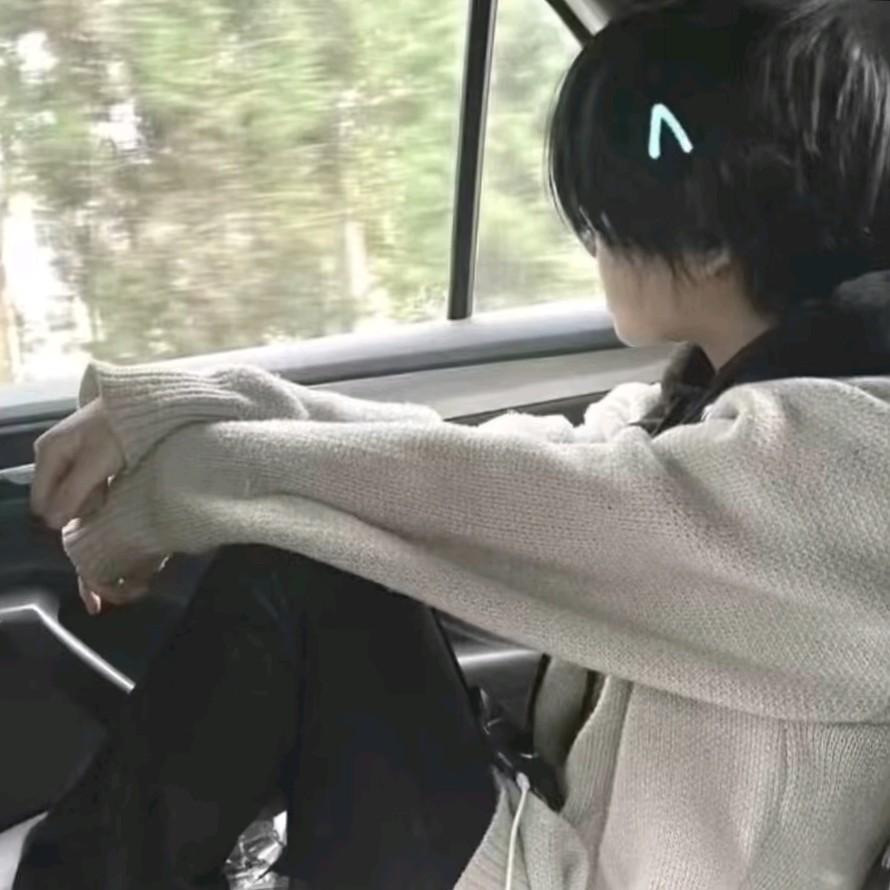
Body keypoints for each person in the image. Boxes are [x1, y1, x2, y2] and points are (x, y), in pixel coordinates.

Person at [13, 0, 890, 887]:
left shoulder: (840, 473)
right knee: (317, 552)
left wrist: (165, 494)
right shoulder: (690, 414)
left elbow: (470, 498)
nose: (589, 237)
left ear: (707, 242)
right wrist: (167, 413)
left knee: (304, 566)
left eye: (604, 209)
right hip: (554, 848)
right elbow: (456, 465)